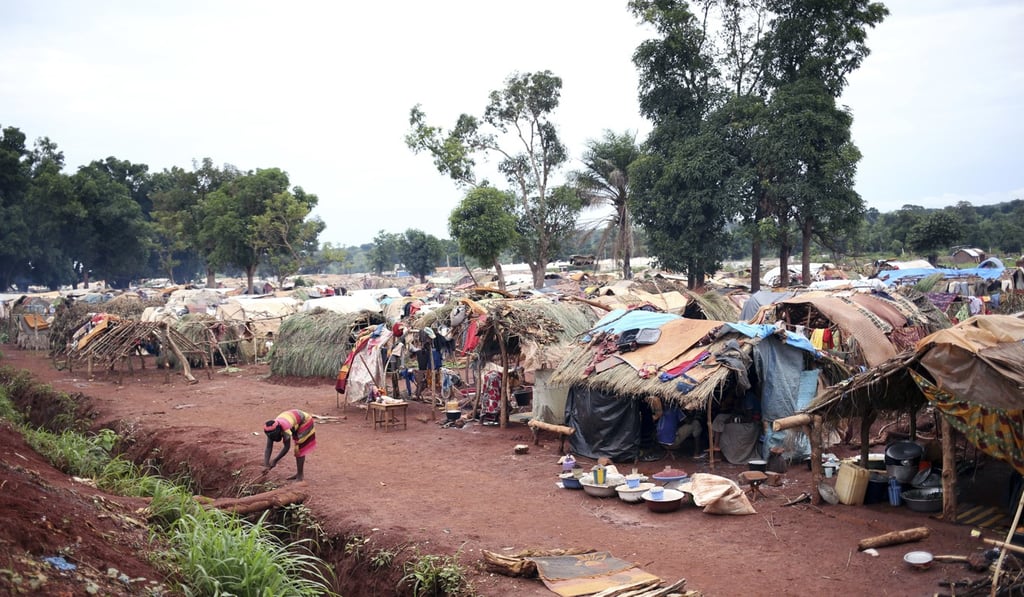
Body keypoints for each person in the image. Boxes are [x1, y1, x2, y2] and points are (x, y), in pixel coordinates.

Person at [264, 409, 316, 481]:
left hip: (304, 421)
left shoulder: (285, 429)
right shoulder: (270, 430)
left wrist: (275, 461)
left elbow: (286, 447)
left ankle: (300, 475)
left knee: (299, 449)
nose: (274, 438)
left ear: (280, 431)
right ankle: (299, 474)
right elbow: (268, 447)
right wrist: (266, 464)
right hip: (294, 421)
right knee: (298, 447)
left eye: (275, 436)